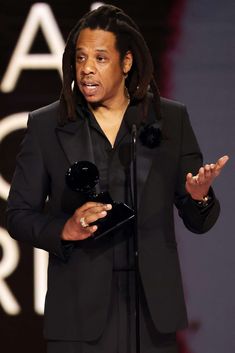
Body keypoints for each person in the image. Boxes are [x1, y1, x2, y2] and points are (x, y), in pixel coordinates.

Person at [6, 4, 228, 353]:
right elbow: (17, 214)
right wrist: (65, 229)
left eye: (99, 58)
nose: (87, 69)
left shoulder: (169, 119)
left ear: (126, 63)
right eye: (80, 58)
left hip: (152, 315)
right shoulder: (48, 125)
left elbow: (199, 221)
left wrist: (199, 195)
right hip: (78, 318)